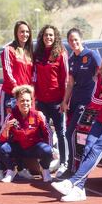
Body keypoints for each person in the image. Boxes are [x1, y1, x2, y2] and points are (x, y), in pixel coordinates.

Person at [51, 43, 102, 202]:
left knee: (97, 148)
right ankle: (80, 190)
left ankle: (73, 182)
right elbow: (94, 99)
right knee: (88, 146)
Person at [59, 28, 102, 178]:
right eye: (71, 40)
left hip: (87, 102)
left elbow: (101, 74)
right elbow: (70, 84)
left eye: (76, 39)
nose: (74, 42)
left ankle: (71, 169)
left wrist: (100, 96)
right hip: (74, 101)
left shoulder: (92, 55)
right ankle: (78, 168)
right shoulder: (72, 60)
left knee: (70, 133)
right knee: (76, 136)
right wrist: (65, 102)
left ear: (81, 39)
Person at [0, 20, 35, 182]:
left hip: (25, 98)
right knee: (6, 130)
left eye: (27, 32)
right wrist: (19, 92)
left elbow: (33, 76)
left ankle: (22, 168)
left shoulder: (30, 52)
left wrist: (29, 94)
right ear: (16, 33)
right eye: (21, 31)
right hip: (11, 95)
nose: (24, 34)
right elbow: (8, 73)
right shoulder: (8, 50)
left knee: (22, 133)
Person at [0, 85, 53, 183]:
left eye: (27, 100)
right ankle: (12, 169)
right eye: (22, 101)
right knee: (1, 147)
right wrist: (7, 128)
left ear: (31, 102)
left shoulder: (38, 115)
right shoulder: (11, 116)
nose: (25, 103)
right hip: (18, 148)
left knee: (47, 150)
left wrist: (50, 151)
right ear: (17, 102)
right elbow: (2, 139)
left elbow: (49, 133)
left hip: (34, 147)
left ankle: (45, 170)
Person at [34, 25, 69, 177]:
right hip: (41, 102)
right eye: (46, 35)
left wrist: (64, 101)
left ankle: (64, 163)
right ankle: (45, 166)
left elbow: (66, 79)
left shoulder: (61, 53)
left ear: (55, 37)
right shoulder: (38, 54)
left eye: (51, 35)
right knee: (43, 133)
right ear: (42, 37)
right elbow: (34, 77)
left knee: (61, 133)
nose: (48, 37)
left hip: (57, 102)